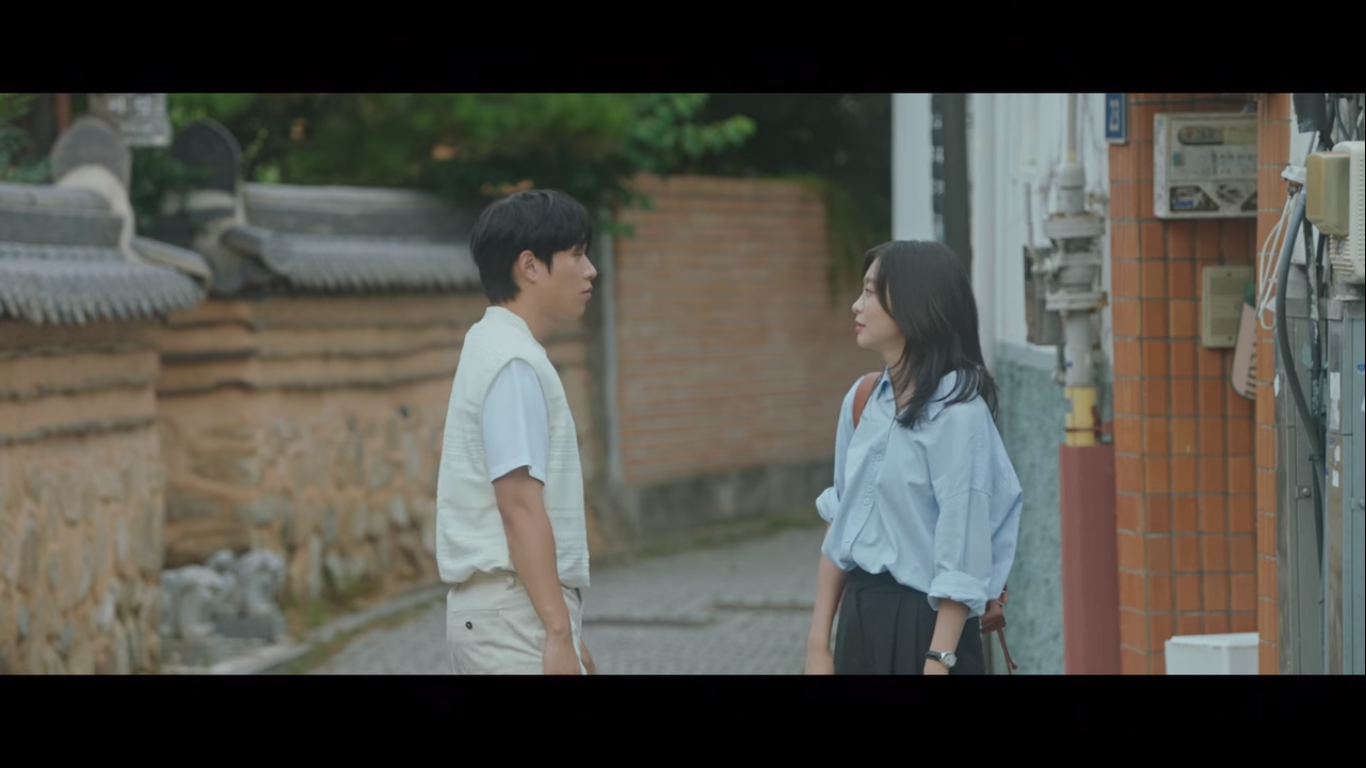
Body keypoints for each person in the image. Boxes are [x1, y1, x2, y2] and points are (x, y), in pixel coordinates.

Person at [804, 240, 1023, 675]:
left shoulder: (960, 415)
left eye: (870, 292)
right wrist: (818, 645)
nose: (856, 305)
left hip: (930, 627)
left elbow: (963, 553)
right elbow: (840, 525)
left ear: (913, 306)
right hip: (859, 619)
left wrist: (938, 661)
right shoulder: (863, 399)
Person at [436, 188, 600, 674]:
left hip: (511, 612)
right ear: (530, 266)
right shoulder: (511, 362)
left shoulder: (495, 345)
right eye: (576, 254)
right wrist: (556, 631)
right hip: (512, 616)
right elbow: (518, 504)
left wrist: (569, 633)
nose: (590, 270)